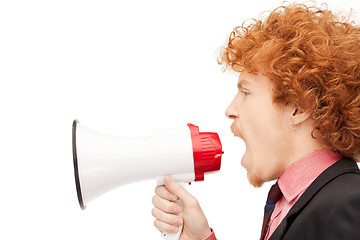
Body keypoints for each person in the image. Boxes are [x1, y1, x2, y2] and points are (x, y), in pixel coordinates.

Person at [151, 2, 360, 240]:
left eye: (246, 92)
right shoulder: (299, 203)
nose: (230, 110)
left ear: (298, 108)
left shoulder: (349, 205)